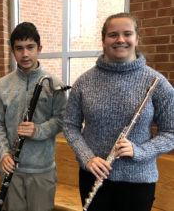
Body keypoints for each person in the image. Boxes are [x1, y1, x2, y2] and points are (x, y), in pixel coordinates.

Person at [63, 12, 174, 211]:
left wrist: (140, 151)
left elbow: (171, 132)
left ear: (137, 38)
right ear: (104, 40)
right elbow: (70, 126)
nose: (120, 40)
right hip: (93, 176)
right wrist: (87, 157)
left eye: (127, 34)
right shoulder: (84, 82)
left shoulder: (157, 82)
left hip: (138, 182)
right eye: (113, 35)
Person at [0, 22, 67, 211]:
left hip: (42, 171)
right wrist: (4, 154)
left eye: (30, 47)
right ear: (13, 51)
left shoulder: (54, 83)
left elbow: (62, 120)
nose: (25, 54)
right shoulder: (3, 84)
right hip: (11, 169)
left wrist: (38, 130)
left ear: (39, 49)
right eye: (19, 48)